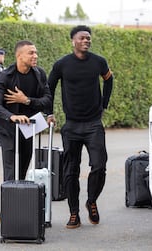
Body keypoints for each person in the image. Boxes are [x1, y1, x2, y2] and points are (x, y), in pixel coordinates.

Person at [47, 25, 113, 229]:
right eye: (82, 38)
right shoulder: (62, 64)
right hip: (71, 125)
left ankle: (91, 200)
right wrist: (49, 112)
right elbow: (49, 87)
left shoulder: (98, 62)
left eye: (89, 38)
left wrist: (104, 105)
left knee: (99, 165)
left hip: (93, 124)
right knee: (70, 171)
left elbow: (109, 80)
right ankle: (73, 212)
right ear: (73, 41)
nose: (87, 40)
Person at [0, 40, 52, 222]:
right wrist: (11, 116)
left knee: (23, 166)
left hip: (28, 125)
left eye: (36, 52)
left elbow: (47, 100)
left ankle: (15, 206)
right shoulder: (6, 76)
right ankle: (8, 213)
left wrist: (26, 101)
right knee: (11, 167)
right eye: (31, 53)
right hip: (7, 127)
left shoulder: (39, 74)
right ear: (19, 56)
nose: (35, 56)